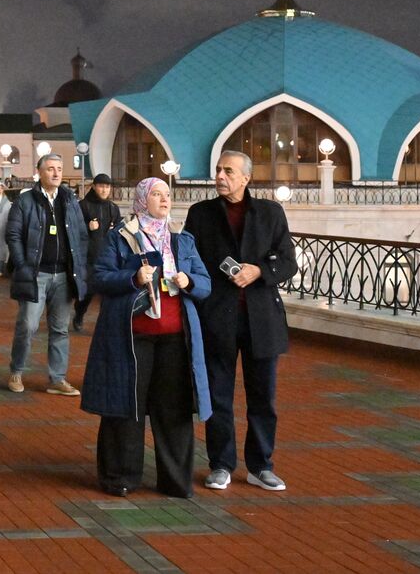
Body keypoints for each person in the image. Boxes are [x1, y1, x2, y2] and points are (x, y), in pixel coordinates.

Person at [81, 177, 211, 498]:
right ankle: (120, 477)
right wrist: (132, 277)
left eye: (167, 194)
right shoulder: (120, 238)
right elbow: (99, 277)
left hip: (174, 340)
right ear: (142, 199)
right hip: (132, 340)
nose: (164, 199)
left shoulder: (182, 240)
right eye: (156, 194)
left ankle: (175, 481)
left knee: (174, 410)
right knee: (127, 407)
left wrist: (189, 280)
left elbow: (206, 283)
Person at [184, 151, 298, 493]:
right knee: (218, 395)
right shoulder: (201, 214)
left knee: (263, 397)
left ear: (246, 178)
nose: (220, 175)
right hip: (217, 318)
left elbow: (289, 261)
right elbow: (190, 259)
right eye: (218, 169)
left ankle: (261, 466)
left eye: (228, 170)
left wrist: (259, 271)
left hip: (261, 320)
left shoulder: (270, 213)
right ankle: (220, 464)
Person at [5, 153, 90, 396]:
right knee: (27, 325)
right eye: (50, 168)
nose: (56, 173)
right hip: (36, 274)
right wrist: (22, 265)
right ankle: (16, 371)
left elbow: (81, 236)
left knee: (60, 329)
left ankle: (57, 379)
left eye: (59, 168)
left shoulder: (70, 201)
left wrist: (80, 266)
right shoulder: (26, 201)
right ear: (39, 172)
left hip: (63, 275)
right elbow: (13, 235)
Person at [74, 174, 123, 331]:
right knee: (87, 292)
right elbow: (73, 229)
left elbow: (119, 229)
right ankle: (79, 314)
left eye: (107, 187)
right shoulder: (82, 206)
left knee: (107, 293)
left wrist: (115, 231)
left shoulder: (113, 208)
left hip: (107, 258)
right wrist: (87, 228)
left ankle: (105, 323)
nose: (104, 190)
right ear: (94, 187)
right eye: (101, 186)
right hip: (88, 257)